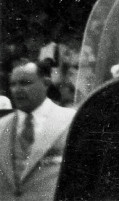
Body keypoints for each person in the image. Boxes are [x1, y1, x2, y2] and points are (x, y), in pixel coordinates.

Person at [1, 58, 76, 201]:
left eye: (25, 83)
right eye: (13, 84)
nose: (17, 89)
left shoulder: (71, 120)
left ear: (46, 83)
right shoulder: (1, 126)